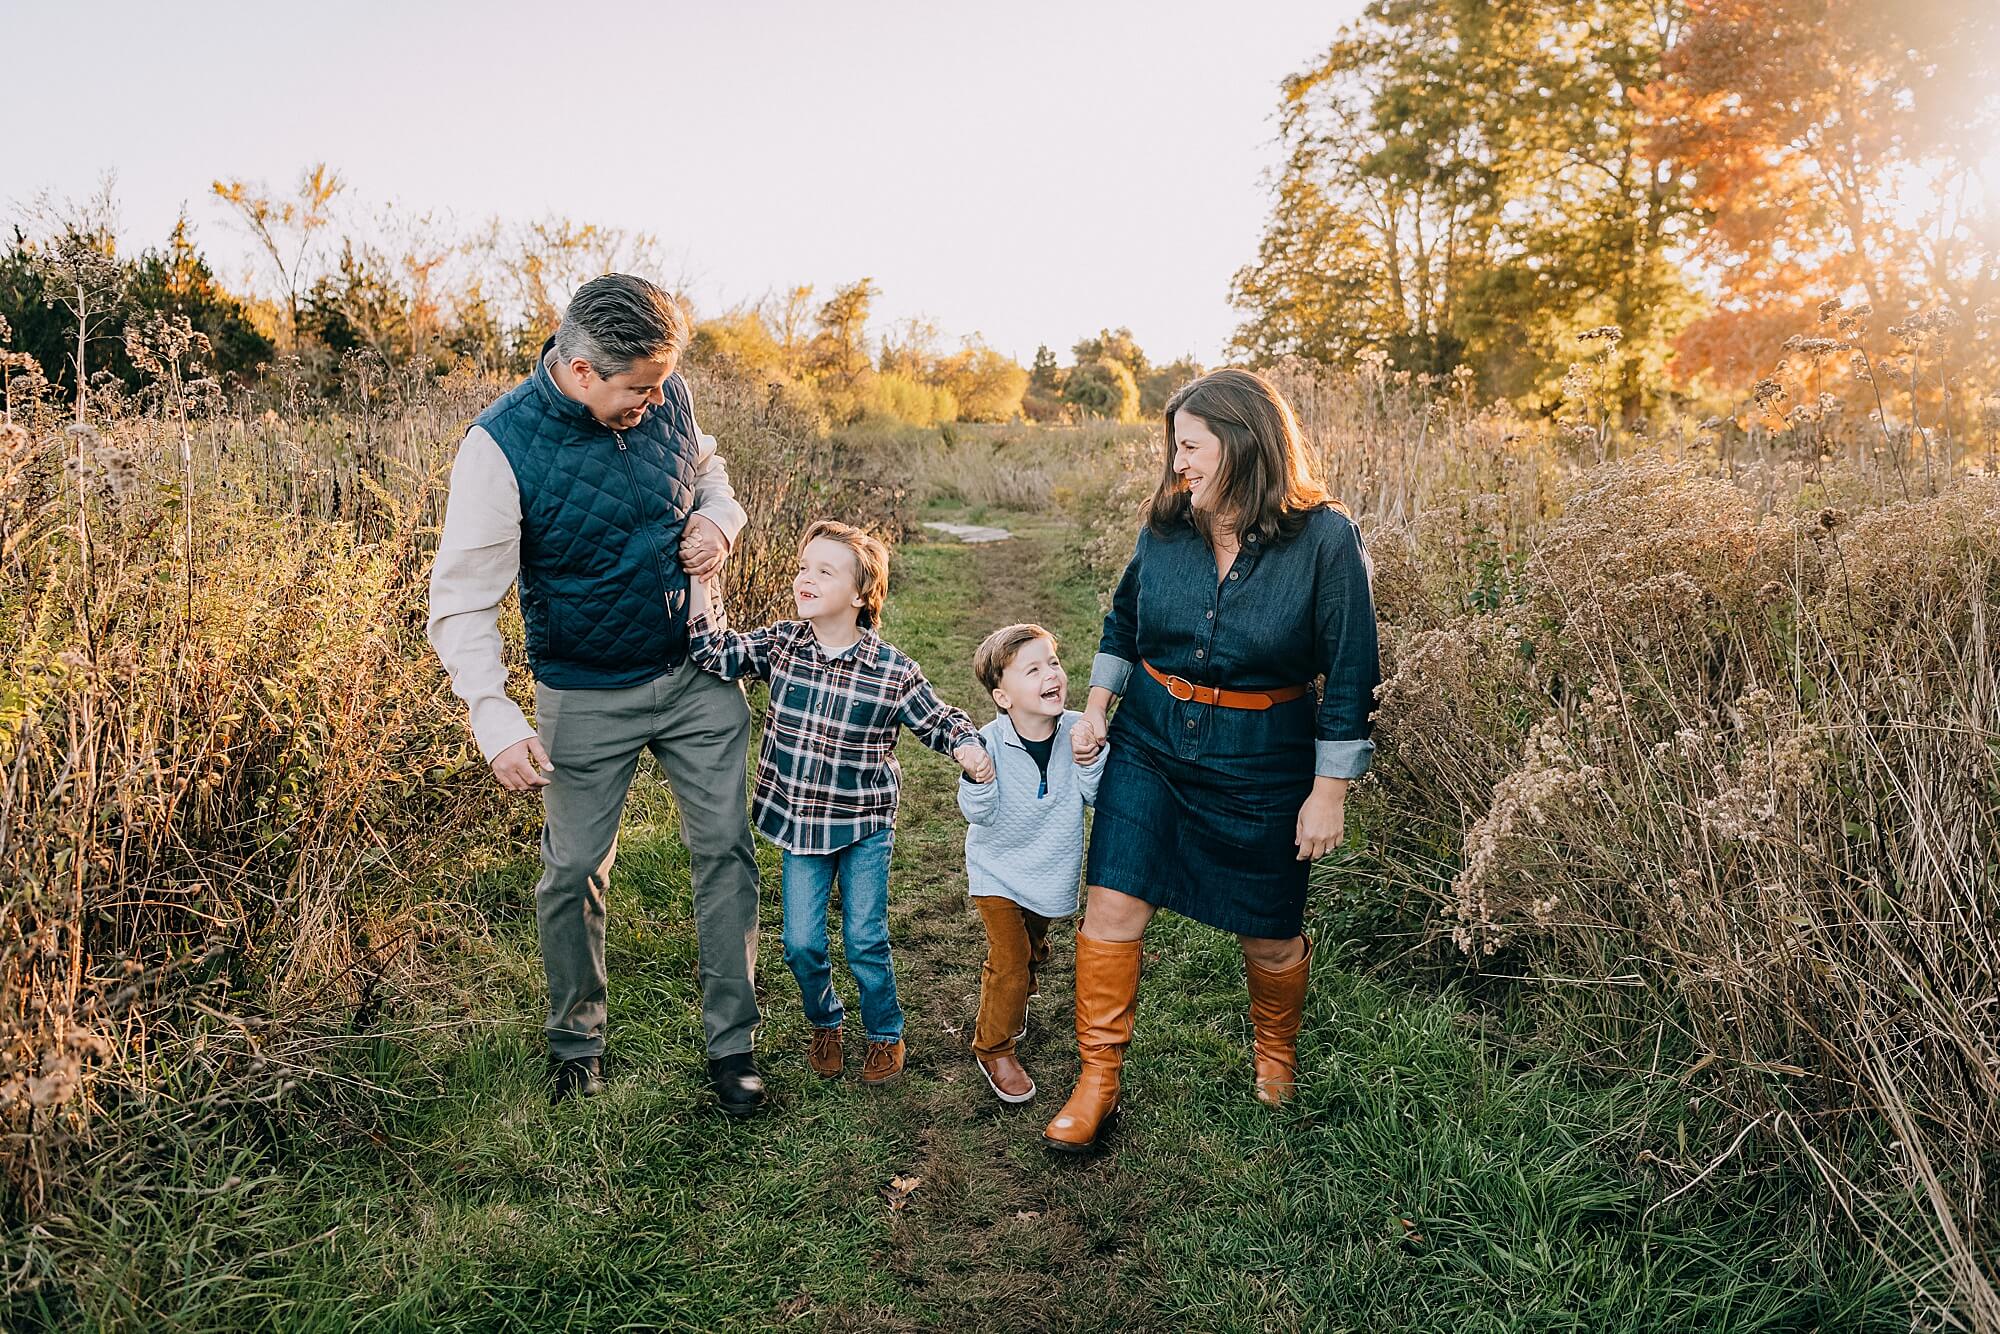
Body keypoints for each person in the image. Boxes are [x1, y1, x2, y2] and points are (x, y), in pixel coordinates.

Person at [427, 273, 768, 1113]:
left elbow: (711, 471)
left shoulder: (669, 393)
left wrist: (717, 520)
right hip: (584, 691)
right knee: (574, 870)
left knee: (726, 851)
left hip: (699, 672)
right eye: (639, 390)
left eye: (663, 386)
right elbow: (462, 600)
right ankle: (576, 1046)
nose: (656, 402)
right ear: (582, 372)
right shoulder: (499, 446)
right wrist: (494, 718)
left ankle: (735, 1046)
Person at [1043, 367, 1381, 1153]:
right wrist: (1096, 708)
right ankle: (1097, 1080)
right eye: (1174, 447)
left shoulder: (1325, 537)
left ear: (1242, 441)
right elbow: (1124, 620)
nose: (1178, 464)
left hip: (1264, 758)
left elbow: (1352, 668)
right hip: (1152, 740)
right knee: (1113, 908)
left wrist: (1329, 789)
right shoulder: (1165, 525)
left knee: (1268, 934)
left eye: (1190, 446)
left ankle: (1275, 1053)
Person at [686, 521, 994, 1086]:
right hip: (801, 821)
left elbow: (939, 719)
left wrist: (969, 747)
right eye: (804, 566)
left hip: (862, 822)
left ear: (860, 596)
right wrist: (703, 580)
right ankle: (825, 1019)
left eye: (824, 571)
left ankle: (884, 1031)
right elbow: (715, 653)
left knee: (865, 940)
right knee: (801, 943)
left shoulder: (891, 670)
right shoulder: (783, 644)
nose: (805, 578)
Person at [958, 624, 1107, 1105]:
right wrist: (977, 776)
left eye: (1054, 663)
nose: (1052, 675)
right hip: (996, 870)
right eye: (1033, 669)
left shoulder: (1079, 729)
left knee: (1033, 951)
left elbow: (1096, 796)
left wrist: (1090, 758)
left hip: (1049, 868)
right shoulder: (988, 742)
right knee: (1010, 961)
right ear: (1003, 696)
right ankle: (994, 1046)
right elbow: (977, 813)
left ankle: (1015, 997)